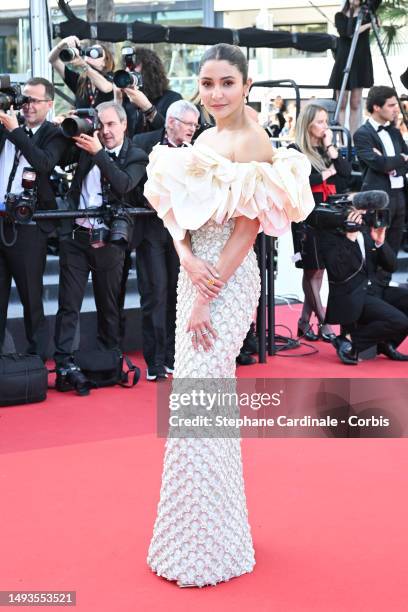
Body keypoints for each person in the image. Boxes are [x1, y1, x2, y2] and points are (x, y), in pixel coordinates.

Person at [143, 43, 314, 587]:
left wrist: (203, 294)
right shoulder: (206, 138)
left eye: (227, 83)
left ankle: (210, 542)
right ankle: (198, 528)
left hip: (226, 282)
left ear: (245, 85)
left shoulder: (252, 140)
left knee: (201, 397)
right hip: (195, 272)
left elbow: (245, 228)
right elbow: (177, 211)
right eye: (208, 83)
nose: (216, 93)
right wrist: (187, 260)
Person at [53, 102, 148, 393]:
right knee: (68, 305)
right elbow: (54, 160)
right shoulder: (85, 146)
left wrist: (98, 153)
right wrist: (66, 129)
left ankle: (109, 361)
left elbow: (123, 184)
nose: (105, 131)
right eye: (101, 125)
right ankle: (64, 364)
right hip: (77, 237)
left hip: (110, 242)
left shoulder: (136, 155)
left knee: (109, 306)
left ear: (124, 126)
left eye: (111, 125)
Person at [131, 100, 200, 380]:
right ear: (171, 122)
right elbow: (134, 186)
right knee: (155, 294)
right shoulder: (142, 142)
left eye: (195, 125)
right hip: (151, 229)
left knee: (178, 294)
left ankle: (174, 356)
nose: (193, 130)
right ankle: (155, 361)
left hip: (182, 232)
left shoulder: (197, 153)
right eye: (189, 124)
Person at [0, 77, 69, 360]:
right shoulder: (5, 126)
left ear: (49, 105)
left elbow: (43, 163)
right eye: (24, 99)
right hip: (0, 219)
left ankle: (36, 362)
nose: (27, 105)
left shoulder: (54, 133)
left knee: (31, 297)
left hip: (29, 226)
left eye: (34, 100)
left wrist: (16, 131)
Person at [290, 103, 352, 342]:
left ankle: (304, 321)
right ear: (307, 124)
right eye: (319, 122)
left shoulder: (326, 149)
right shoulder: (295, 150)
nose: (324, 126)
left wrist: (330, 147)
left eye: (326, 121)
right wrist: (325, 174)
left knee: (319, 271)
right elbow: (297, 181)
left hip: (328, 216)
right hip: (307, 217)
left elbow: (346, 174)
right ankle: (324, 322)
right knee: (312, 269)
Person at [320, 210, 408, 364]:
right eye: (357, 211)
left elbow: (392, 266)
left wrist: (380, 242)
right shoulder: (332, 236)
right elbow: (337, 271)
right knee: (400, 321)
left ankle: (388, 343)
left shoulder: (367, 232)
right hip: (352, 295)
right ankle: (348, 340)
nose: (362, 215)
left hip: (375, 289)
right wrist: (349, 238)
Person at [354, 86, 408, 269]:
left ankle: (386, 286)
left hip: (400, 195)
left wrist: (393, 165)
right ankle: (374, 288)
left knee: (394, 244)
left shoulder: (394, 131)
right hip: (379, 197)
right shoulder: (362, 134)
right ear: (377, 107)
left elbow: (399, 163)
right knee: (376, 243)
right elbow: (380, 164)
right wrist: (398, 159)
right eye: (391, 105)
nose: (396, 109)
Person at [328, 0, 378, 135]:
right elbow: (348, 33)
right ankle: (341, 140)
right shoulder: (340, 16)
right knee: (342, 102)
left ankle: (354, 139)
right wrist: (369, 25)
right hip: (344, 58)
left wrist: (369, 21)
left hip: (360, 59)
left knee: (356, 102)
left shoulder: (367, 13)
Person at [118, 47, 182, 138]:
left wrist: (147, 107)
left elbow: (173, 134)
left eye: (133, 70)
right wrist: (117, 100)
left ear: (150, 74)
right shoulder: (125, 101)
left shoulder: (172, 99)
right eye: (126, 70)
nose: (128, 75)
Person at [48, 36, 114, 109]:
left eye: (97, 52)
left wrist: (84, 65)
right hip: (81, 120)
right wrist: (62, 43)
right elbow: (53, 60)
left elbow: (106, 88)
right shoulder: (80, 80)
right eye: (90, 50)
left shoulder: (112, 78)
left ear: (104, 62)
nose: (91, 53)